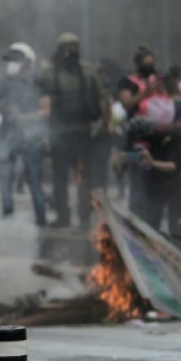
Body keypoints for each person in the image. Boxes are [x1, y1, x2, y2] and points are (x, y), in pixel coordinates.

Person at [39, 32, 108, 228]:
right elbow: (43, 103)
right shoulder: (50, 73)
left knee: (83, 178)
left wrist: (105, 125)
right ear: (60, 50)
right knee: (61, 179)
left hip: (81, 132)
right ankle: (64, 217)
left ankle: (83, 218)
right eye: (68, 47)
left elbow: (102, 99)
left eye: (75, 46)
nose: (72, 50)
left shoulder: (87, 71)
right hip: (60, 133)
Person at [0, 42, 48, 226]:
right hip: (7, 138)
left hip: (30, 138)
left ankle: (41, 220)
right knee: (5, 182)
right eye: (10, 60)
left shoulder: (37, 83)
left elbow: (45, 110)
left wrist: (23, 117)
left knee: (34, 182)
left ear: (27, 62)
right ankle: (8, 220)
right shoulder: (1, 84)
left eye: (15, 60)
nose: (11, 64)